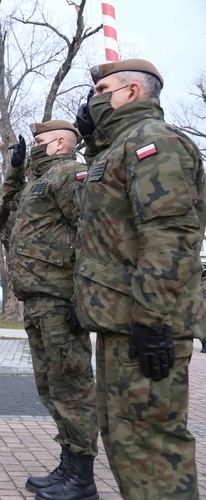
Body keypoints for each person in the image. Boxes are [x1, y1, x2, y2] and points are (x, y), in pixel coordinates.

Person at [74, 59, 204, 499]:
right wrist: (92, 141)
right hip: (121, 322)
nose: (94, 97)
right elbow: (109, 211)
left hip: (147, 322)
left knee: (152, 448)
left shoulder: (154, 141)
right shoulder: (122, 145)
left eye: (102, 89)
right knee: (127, 444)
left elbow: (170, 236)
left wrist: (151, 319)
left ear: (131, 93)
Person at [0, 120, 99, 499]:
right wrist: (13, 171)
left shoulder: (70, 173)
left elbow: (91, 231)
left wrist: (82, 293)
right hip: (38, 301)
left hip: (59, 301)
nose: (34, 146)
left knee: (71, 386)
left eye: (39, 141)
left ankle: (83, 480)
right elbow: (3, 215)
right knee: (52, 387)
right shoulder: (37, 183)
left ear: (60, 143)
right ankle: (68, 465)